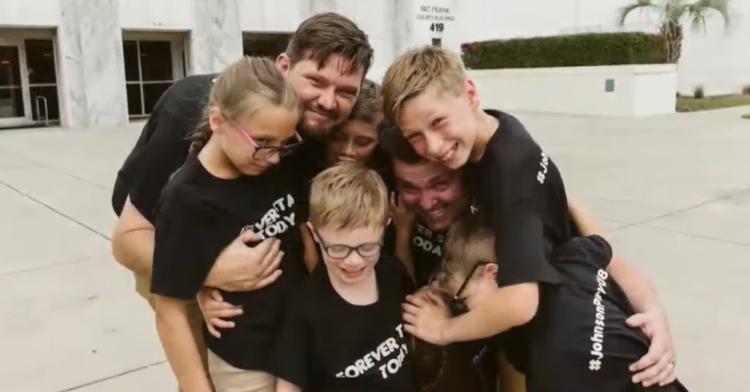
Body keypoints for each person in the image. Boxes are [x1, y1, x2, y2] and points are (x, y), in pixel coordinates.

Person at [381, 45, 677, 387]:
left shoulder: (512, 178)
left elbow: (521, 302)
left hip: (570, 350)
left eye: (438, 122)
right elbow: (585, 234)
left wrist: (445, 330)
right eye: (415, 135)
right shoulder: (496, 132)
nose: (432, 146)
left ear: (471, 94)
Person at [109, 11, 373, 381]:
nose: (329, 102)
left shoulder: (324, 128)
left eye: (346, 91)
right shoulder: (191, 113)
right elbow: (127, 240)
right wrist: (206, 273)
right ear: (284, 65)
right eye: (315, 80)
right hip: (172, 247)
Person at [151, 57, 306, 392]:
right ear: (218, 120)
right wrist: (195, 384)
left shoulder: (272, 165)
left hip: (297, 348)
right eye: (263, 143)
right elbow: (169, 309)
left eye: (284, 143)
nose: (275, 157)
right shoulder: (186, 199)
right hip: (246, 364)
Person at [434, 215, 687, 392]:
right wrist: (655, 314)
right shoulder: (570, 259)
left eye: (463, 299)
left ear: (493, 273)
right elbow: (606, 248)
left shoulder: (552, 363)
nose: (464, 310)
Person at [272, 162, 417, 392]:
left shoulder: (390, 271)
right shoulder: (305, 309)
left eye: (368, 247)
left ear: (386, 225)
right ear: (315, 234)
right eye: (338, 249)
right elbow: (288, 385)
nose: (354, 261)